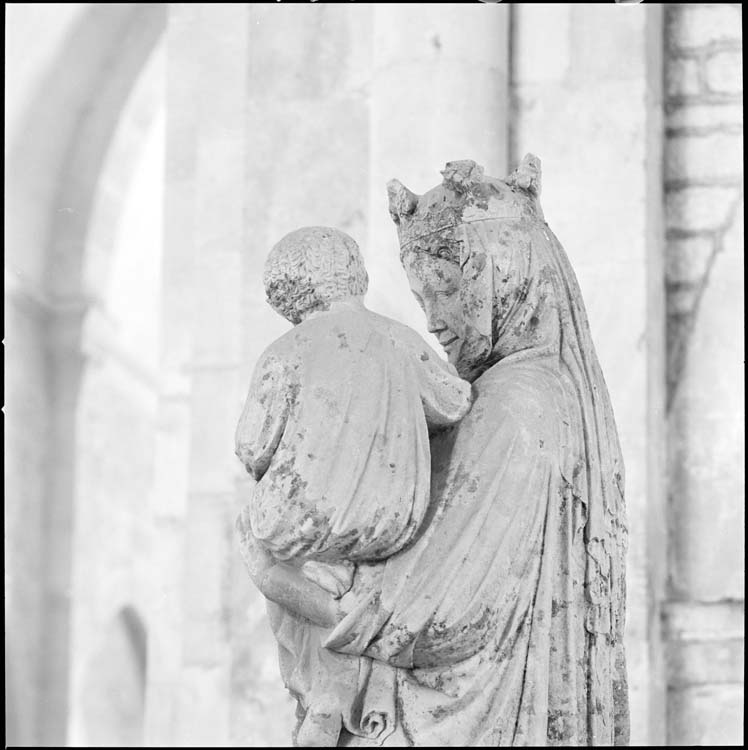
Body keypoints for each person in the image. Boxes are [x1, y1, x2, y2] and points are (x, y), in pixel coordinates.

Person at [326, 155, 629, 746]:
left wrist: (310, 584)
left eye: (447, 291)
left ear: (505, 275)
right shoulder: (547, 391)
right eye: (421, 299)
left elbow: (435, 612)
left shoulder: (515, 402)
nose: (434, 321)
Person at [235, 226, 472, 746]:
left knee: (260, 545)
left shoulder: (285, 352)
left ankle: (323, 690)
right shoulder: (401, 340)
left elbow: (253, 446)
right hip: (390, 527)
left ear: (287, 294)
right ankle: (351, 681)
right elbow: (455, 403)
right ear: (354, 274)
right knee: (342, 571)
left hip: (303, 527)